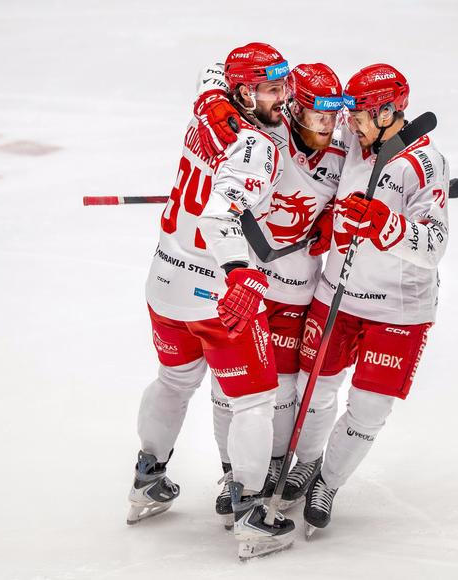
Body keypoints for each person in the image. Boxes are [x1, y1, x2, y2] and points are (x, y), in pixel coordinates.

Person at [129, 41, 295, 559]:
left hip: (164, 280)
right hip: (216, 294)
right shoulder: (258, 147)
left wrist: (220, 101)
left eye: (285, 85)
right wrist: (242, 274)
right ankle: (251, 514)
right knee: (253, 401)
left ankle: (147, 479)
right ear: (244, 90)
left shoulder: (208, 104)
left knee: (174, 380)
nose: (284, 99)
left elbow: (210, 71)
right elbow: (220, 217)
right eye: (272, 88)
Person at [286, 63, 451, 536]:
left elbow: (435, 242)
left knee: (368, 408)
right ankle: (307, 463)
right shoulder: (352, 141)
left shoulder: (425, 163)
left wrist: (387, 225)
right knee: (312, 390)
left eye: (358, 113)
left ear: (387, 111)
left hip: (398, 308)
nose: (348, 121)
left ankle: (329, 482)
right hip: (336, 291)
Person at [195, 61, 346, 521]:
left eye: (334, 115)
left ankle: (303, 461)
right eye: (319, 114)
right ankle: (240, 472)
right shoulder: (267, 136)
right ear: (296, 107)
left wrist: (333, 217)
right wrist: (211, 102)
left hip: (299, 290)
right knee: (236, 391)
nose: (328, 124)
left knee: (299, 388)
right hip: (251, 283)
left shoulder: (344, 155)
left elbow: (367, 193)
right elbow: (214, 72)